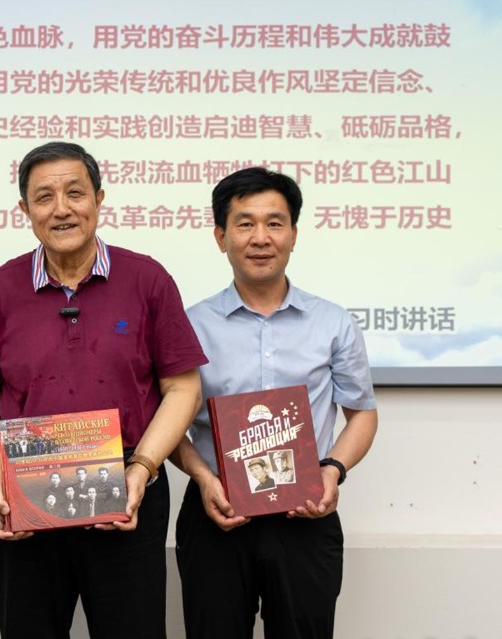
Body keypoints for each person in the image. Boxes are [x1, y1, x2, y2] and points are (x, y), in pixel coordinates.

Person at [0, 141, 206, 639]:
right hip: (26, 487)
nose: (62, 209)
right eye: (44, 197)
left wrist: (142, 469)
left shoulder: (148, 279)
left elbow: (182, 388)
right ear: (25, 210)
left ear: (99, 199)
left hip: (128, 488)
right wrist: (1, 482)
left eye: (75, 193)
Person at [169, 168, 378, 639]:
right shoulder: (190, 326)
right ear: (220, 237)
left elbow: (362, 413)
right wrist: (203, 478)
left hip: (306, 515)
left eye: (274, 223)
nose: (260, 238)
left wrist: (332, 471)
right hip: (216, 512)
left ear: (294, 235)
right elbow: (167, 425)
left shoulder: (332, 323)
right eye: (245, 224)